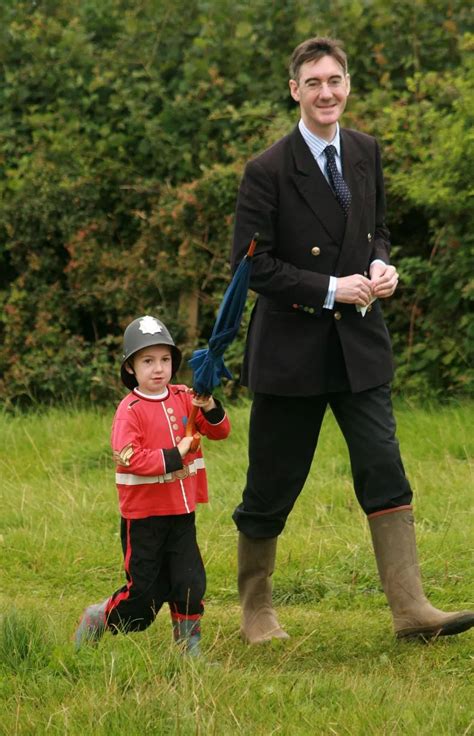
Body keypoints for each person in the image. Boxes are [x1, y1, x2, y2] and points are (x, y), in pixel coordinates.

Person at [231, 37, 474, 644]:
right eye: (313, 82)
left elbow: (378, 230)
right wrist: (329, 288)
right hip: (290, 353)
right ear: (295, 90)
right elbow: (251, 268)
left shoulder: (365, 151)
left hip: (361, 347)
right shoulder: (266, 170)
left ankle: (411, 610)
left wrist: (382, 265)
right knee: (273, 481)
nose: (326, 93)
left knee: (384, 468)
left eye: (334, 80)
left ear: (347, 84)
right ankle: (255, 610)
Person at [75, 315, 230, 655]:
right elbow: (129, 458)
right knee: (144, 597)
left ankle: (189, 653)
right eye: (147, 361)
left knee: (190, 582)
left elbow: (220, 431)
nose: (158, 369)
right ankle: (98, 617)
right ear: (131, 368)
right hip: (143, 519)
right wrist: (176, 454)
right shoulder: (129, 410)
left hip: (182, 513)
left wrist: (211, 406)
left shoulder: (187, 397)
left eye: (164, 359)